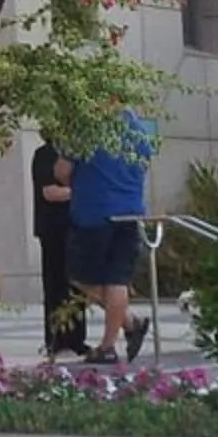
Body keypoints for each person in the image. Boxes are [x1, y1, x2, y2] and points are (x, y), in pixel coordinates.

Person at [64, 113, 157, 365]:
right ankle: (111, 342)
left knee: (80, 277)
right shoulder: (138, 129)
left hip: (95, 214)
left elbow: (63, 171)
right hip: (129, 212)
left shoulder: (85, 125)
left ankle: (125, 326)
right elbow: (144, 164)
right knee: (117, 279)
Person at [30, 135, 82, 356]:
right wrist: (81, 193)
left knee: (76, 286)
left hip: (74, 227)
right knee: (55, 286)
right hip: (53, 229)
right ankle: (56, 340)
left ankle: (76, 340)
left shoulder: (77, 153)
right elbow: (49, 192)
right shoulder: (45, 155)